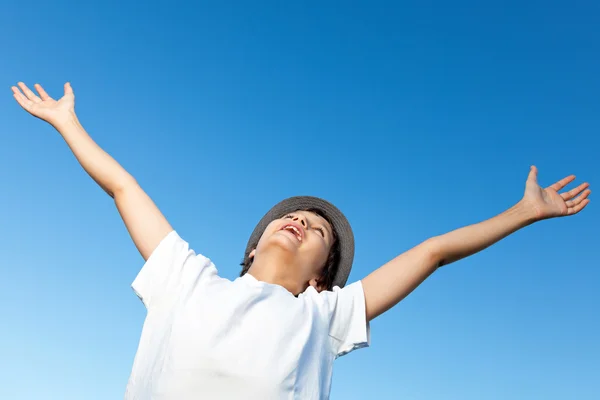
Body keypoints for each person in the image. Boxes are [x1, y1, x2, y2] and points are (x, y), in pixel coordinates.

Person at [12, 82, 591, 399]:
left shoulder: (326, 313)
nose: (302, 222)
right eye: (292, 217)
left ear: (322, 274)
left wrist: (521, 213)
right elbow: (123, 187)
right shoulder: (186, 278)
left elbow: (432, 253)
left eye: (317, 230)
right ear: (251, 247)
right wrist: (68, 123)